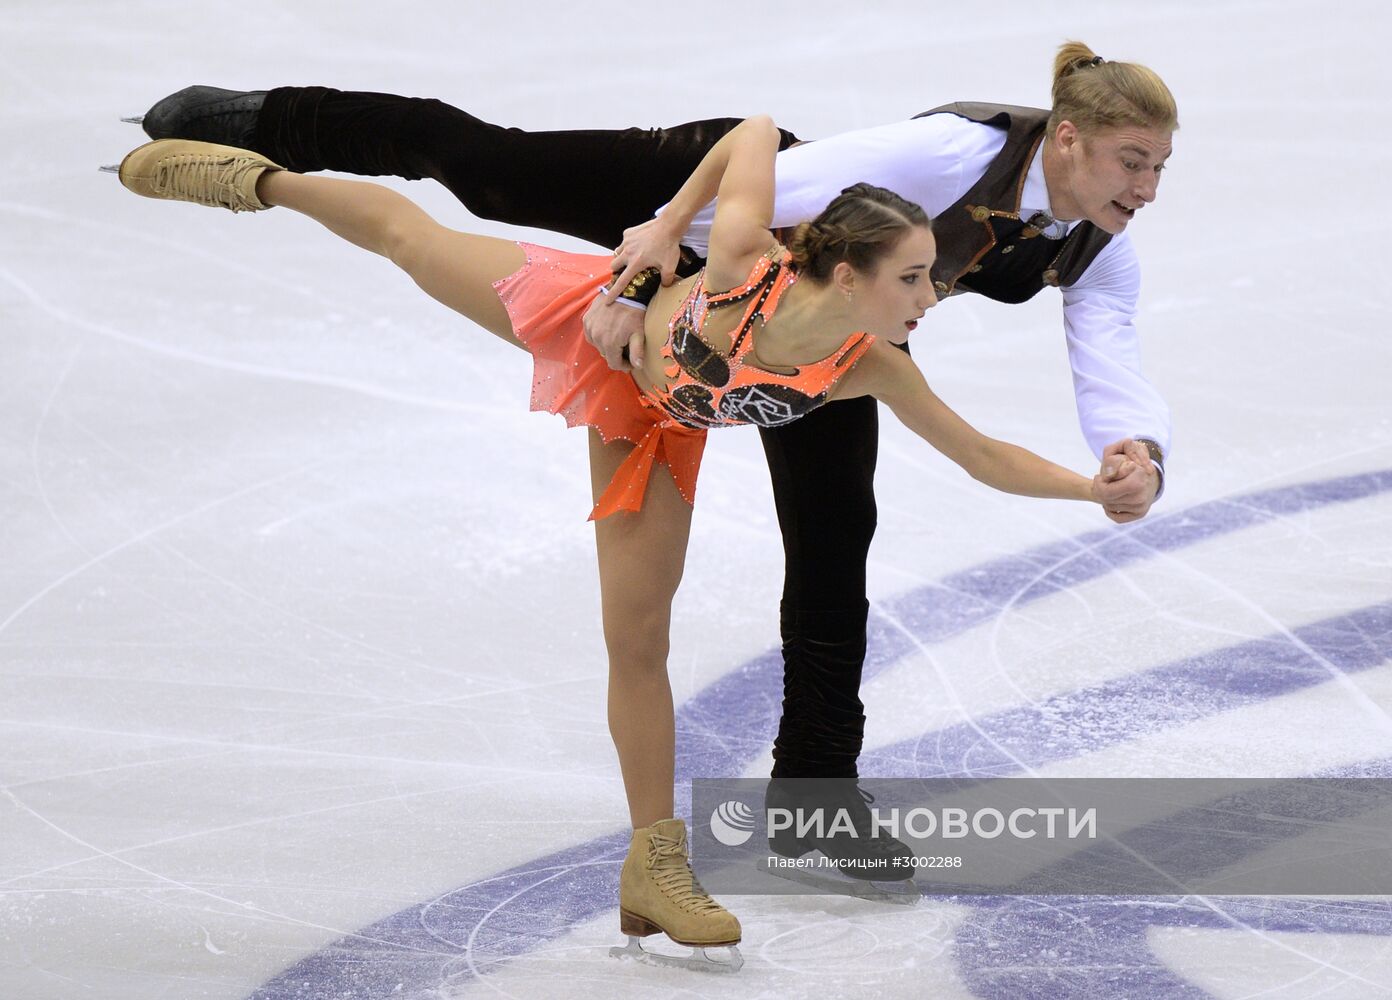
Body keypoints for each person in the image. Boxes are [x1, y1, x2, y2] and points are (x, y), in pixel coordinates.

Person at [114, 108, 1130, 969]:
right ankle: (260, 180)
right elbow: (758, 132)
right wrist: (657, 238)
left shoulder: (871, 364)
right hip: (585, 318)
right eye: (914, 277)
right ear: (850, 269)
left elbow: (982, 454)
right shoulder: (745, 266)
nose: (930, 295)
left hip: (652, 427)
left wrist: (1091, 486)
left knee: (637, 636)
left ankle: (655, 863)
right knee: (411, 241)